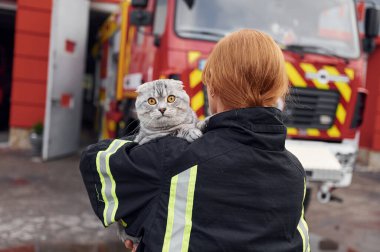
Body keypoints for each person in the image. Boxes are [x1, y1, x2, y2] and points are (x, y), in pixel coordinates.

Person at [80, 29, 310, 252]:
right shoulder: (295, 173)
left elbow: (95, 160)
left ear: (213, 88)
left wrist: (144, 223)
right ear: (278, 91)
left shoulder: (173, 158)